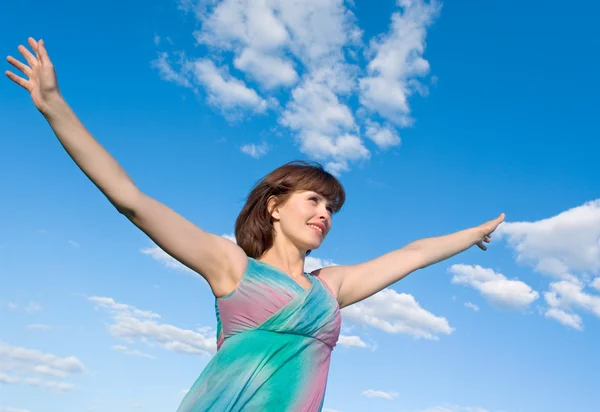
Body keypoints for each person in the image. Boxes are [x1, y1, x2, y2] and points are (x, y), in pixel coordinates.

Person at [6, 37, 505, 412]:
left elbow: (413, 254)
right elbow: (132, 201)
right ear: (274, 206)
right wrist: (54, 107)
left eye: (331, 208)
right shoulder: (230, 267)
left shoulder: (331, 287)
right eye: (313, 200)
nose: (324, 215)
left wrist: (472, 235)